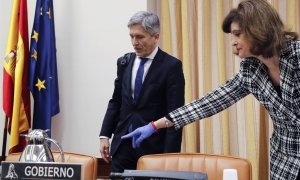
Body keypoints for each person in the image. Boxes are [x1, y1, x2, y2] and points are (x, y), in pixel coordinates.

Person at [122, 0, 300, 179]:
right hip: (284, 160)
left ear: (259, 29)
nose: (233, 42)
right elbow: (210, 102)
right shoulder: (251, 69)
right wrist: (154, 126)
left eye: (237, 34)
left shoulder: (297, 56)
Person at [99, 11, 185, 172]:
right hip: (122, 147)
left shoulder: (171, 66)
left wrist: (169, 158)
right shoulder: (124, 62)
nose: (134, 42)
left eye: (140, 37)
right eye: (131, 36)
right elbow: (116, 101)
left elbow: (175, 114)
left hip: (153, 150)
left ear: (155, 37)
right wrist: (104, 135)